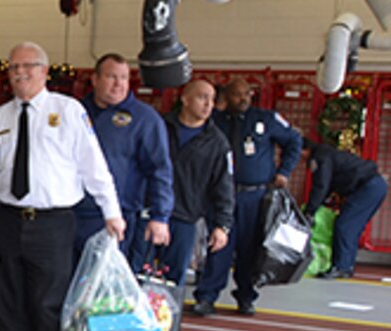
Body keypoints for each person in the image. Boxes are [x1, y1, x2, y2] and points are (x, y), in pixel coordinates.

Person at [0, 42, 123, 331]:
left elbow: (94, 166)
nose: (19, 73)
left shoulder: (69, 111)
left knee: (48, 306)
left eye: (28, 66)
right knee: (10, 306)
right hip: (7, 220)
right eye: (13, 67)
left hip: (53, 223)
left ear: (45, 72)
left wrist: (112, 212)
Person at [65, 52, 174, 331]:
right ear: (94, 79)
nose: (117, 85)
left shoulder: (143, 119)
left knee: (97, 292)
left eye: (124, 79)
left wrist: (160, 216)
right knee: (61, 285)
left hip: (113, 219)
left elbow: (160, 170)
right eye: (111, 77)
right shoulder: (73, 113)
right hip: (65, 214)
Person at [193, 78, 302, 316]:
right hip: (223, 196)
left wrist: (284, 171)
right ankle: (207, 297)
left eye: (246, 94)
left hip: (255, 197)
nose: (243, 99)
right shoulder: (215, 122)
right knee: (218, 247)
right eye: (236, 95)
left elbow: (294, 140)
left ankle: (246, 297)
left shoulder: (266, 119)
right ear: (226, 97)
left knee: (250, 250)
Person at [156, 79, 234, 288]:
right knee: (136, 273)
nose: (208, 104)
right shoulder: (160, 127)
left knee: (172, 281)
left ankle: (168, 320)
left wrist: (222, 225)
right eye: (202, 97)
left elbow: (224, 185)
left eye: (212, 99)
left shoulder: (217, 142)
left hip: (185, 217)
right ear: (185, 99)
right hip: (151, 213)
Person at [303, 140, 387, 280]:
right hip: (374, 187)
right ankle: (346, 266)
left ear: (304, 150)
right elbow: (327, 186)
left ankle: (342, 267)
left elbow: (321, 186)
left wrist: (310, 211)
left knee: (345, 225)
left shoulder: (320, 157)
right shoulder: (327, 153)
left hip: (368, 187)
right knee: (350, 226)